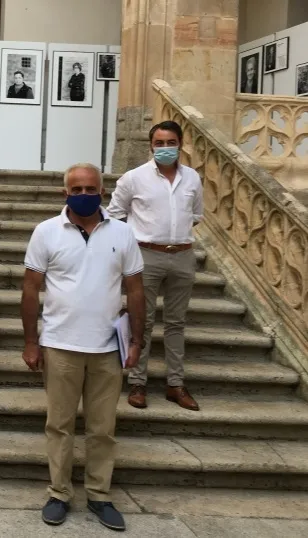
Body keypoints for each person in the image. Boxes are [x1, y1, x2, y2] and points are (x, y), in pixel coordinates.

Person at [22, 163, 145, 532]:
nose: (83, 194)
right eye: (76, 189)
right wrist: (31, 341)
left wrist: (137, 341)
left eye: (90, 188)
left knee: (102, 428)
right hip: (60, 345)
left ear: (102, 191)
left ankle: (99, 495)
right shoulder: (46, 232)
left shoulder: (123, 233)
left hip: (108, 348)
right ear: (65, 193)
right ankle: (59, 493)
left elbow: (136, 291)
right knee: (59, 425)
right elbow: (30, 289)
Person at [107, 120, 203, 411]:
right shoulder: (133, 178)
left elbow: (196, 214)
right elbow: (114, 215)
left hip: (183, 256)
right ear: (151, 146)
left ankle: (175, 384)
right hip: (145, 255)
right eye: (159, 143)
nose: (164, 148)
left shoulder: (192, 179)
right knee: (142, 322)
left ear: (180, 144)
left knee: (176, 323)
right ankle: (137, 383)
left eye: (170, 142)